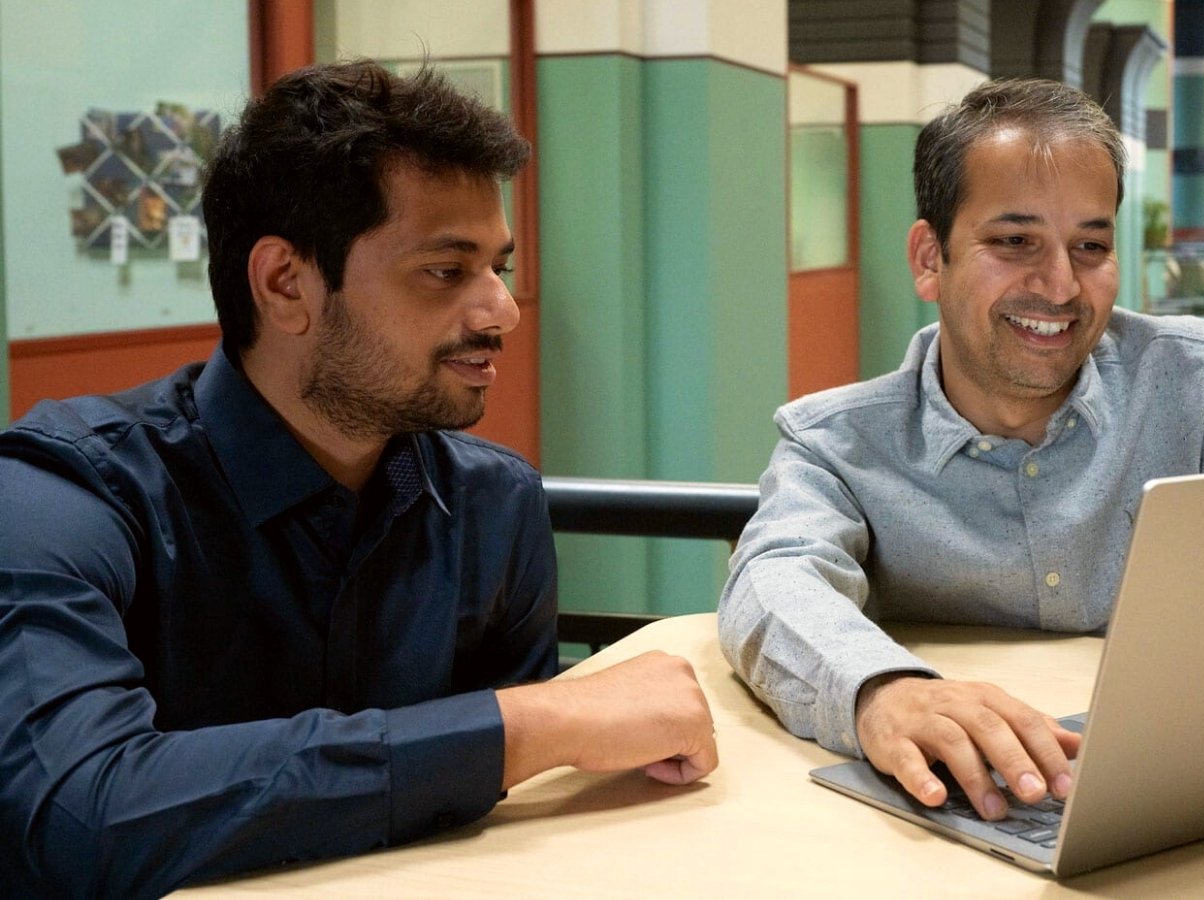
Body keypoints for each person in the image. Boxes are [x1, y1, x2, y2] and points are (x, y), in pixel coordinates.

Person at [0, 61, 716, 897]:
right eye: (447, 271)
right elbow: (79, 815)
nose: (501, 312)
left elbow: (507, 826)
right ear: (285, 285)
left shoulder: (494, 505)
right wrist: (522, 726)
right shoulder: (61, 493)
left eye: (499, 267)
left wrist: (513, 741)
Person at [719, 79, 1204, 825]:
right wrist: (881, 691)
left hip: (1180, 788)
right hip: (943, 817)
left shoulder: (1197, 385)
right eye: (1014, 241)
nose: (1061, 284)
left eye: (1090, 246)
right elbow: (772, 580)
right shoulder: (836, 443)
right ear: (930, 258)